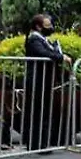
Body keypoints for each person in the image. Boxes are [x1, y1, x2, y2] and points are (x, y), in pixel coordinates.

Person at [22, 14, 73, 150]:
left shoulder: (43, 39)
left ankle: (42, 144)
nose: (50, 28)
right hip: (36, 82)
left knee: (44, 113)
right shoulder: (34, 40)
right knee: (37, 113)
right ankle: (36, 145)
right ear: (38, 27)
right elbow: (44, 54)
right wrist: (61, 57)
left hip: (44, 81)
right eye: (47, 25)